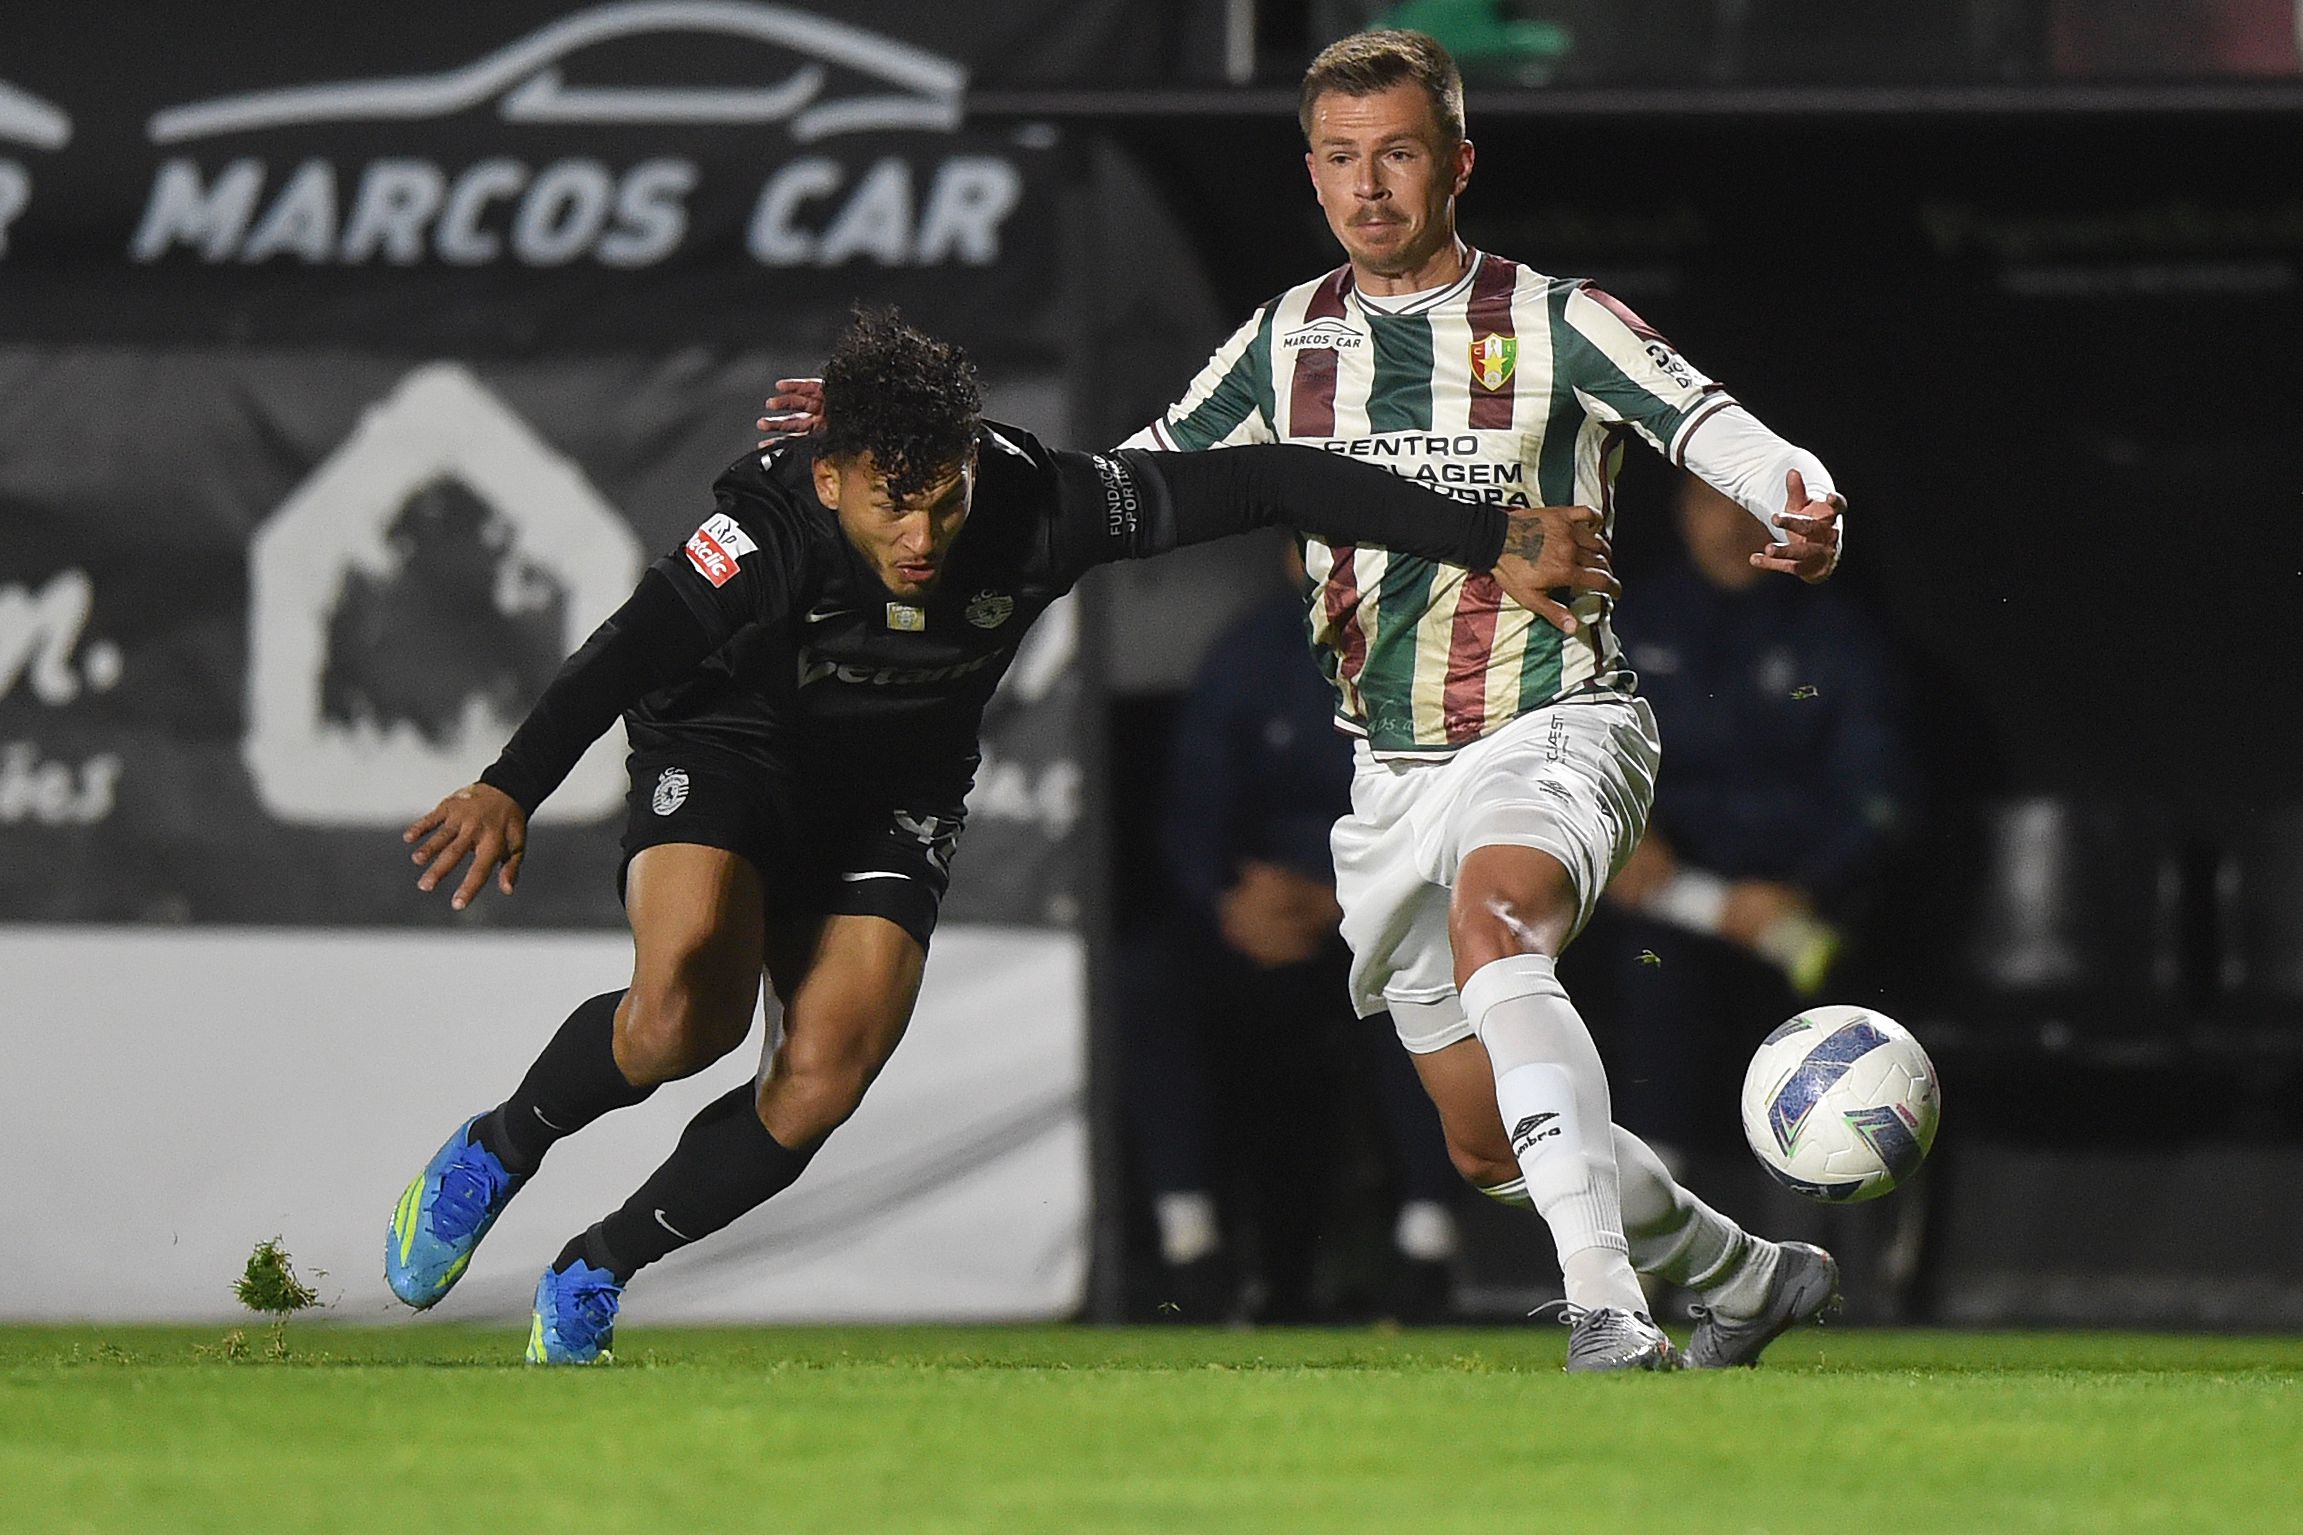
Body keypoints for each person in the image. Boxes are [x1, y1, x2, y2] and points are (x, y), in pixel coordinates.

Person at [759, 29, 1848, 1372]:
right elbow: (1118, 482)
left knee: (1498, 916)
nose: (1367, 186)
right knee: (1479, 1133)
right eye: (1338, 159)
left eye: (1394, 153)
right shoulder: (1284, 342)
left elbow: (1710, 421)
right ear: (1312, 173)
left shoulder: (1555, 319)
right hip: (1386, 773)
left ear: (1456, 162)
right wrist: (936, 461)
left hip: (1555, 718)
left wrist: (1795, 490)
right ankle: (1744, 1274)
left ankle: (1605, 1306)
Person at [383, 307, 1616, 1363]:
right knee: (678, 1018)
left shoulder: (1044, 504)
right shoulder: (763, 533)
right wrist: (510, 783)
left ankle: (596, 1267)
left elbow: (1270, 477)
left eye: (943, 499)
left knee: (819, 1079)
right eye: (890, 506)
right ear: (827, 476)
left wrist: (1487, 535)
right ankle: (501, 1146)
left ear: (974, 462)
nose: (922, 538)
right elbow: (623, 652)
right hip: (728, 755)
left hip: (893, 788)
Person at [1127, 546, 1466, 1323]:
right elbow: (1192, 807)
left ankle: (1426, 1250)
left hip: (1390, 911)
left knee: (1434, 978)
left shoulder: (1447, 651)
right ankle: (1192, 1251)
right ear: (1290, 559)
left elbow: (1450, 815)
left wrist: (1340, 898)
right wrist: (1226, 897)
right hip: (1260, 913)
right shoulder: (1249, 652)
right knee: (1148, 978)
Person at [1586, 472, 1913, 1157]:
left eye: (1752, 508)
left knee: (1833, 990)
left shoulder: (1838, 634)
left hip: (1801, 905)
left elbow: (1881, 799)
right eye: (1711, 503)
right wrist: (1623, 829)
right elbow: (1581, 761)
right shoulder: (1629, 625)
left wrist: (1806, 888)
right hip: (1666, 898)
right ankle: (1652, 1204)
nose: (1732, 527)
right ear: (1681, 513)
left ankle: (1817, 1218)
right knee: (1644, 962)